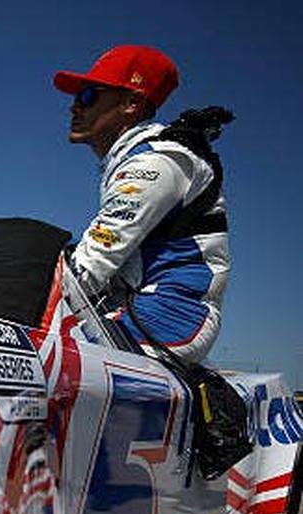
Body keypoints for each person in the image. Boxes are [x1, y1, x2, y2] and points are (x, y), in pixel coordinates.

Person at [54, 45, 231, 365]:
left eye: (89, 96)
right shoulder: (139, 157)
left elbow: (82, 276)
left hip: (172, 318)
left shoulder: (155, 163)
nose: (74, 107)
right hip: (137, 309)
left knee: (39, 347)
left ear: (131, 103)